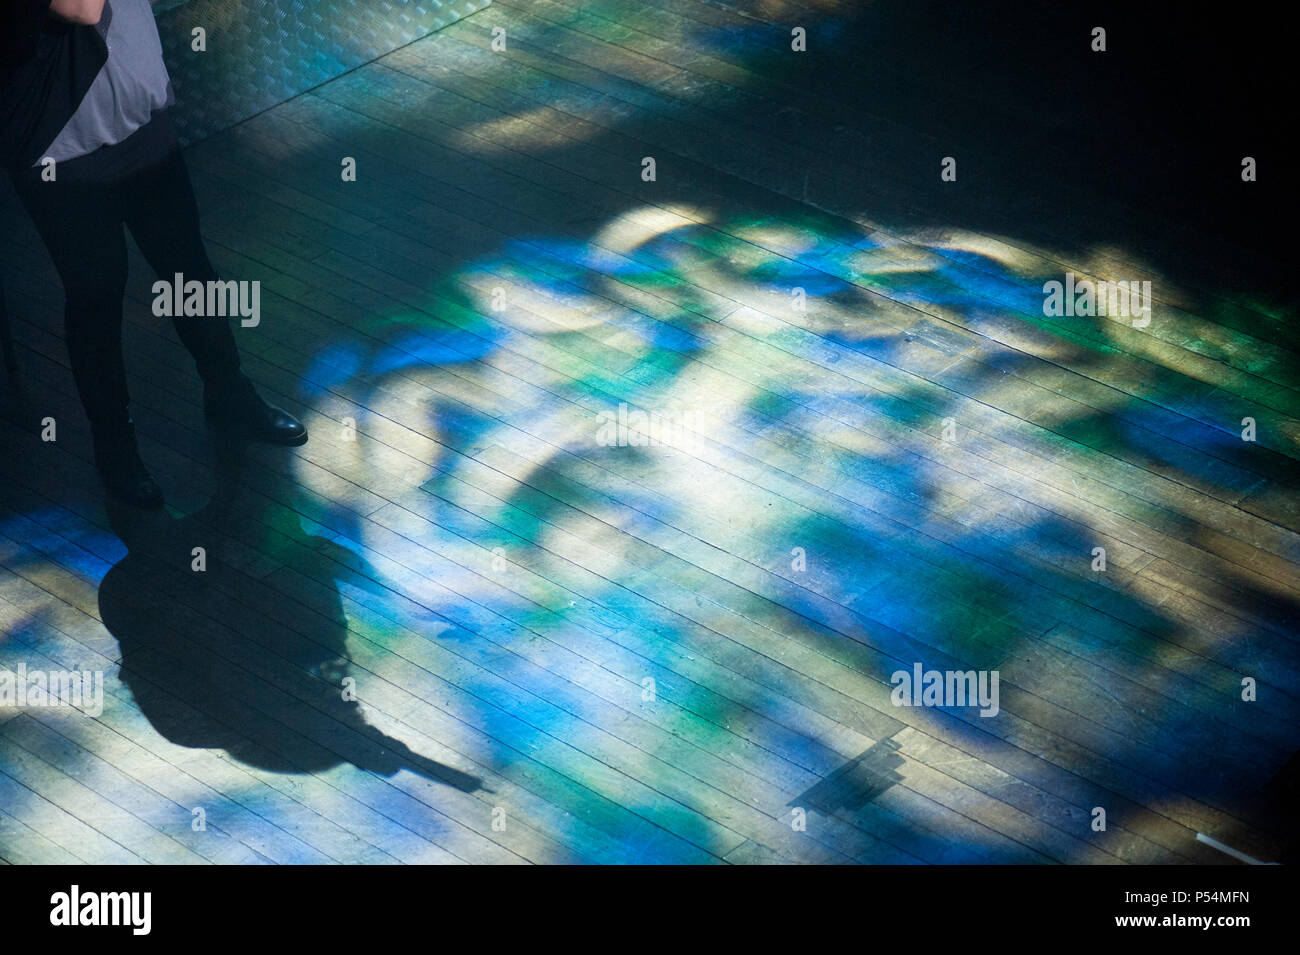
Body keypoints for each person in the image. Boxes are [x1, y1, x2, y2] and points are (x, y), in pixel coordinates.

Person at [0, 0, 307, 508]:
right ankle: (116, 449)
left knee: (188, 269)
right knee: (97, 295)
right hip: (60, 143)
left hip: (139, 120)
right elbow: (81, 8)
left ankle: (229, 392)